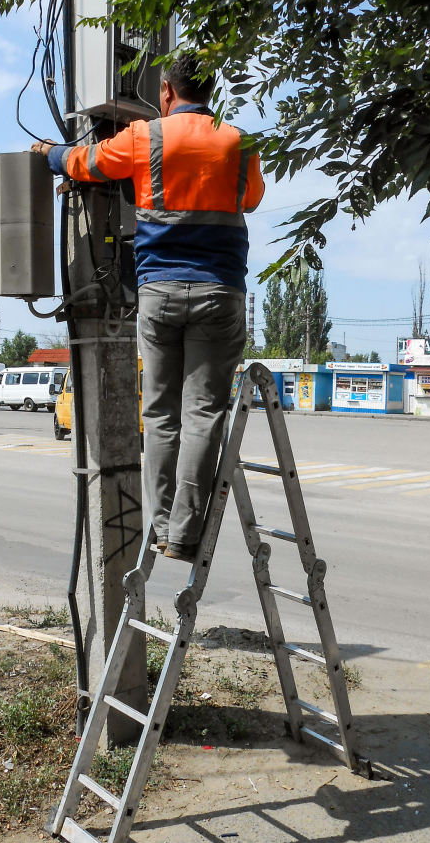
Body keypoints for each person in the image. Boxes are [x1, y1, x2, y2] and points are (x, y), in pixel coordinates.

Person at [33, 52, 264, 561]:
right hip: (221, 291)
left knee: (160, 414)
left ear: (165, 91)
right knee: (203, 411)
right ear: (211, 92)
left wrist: (49, 152)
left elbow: (83, 164)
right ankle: (185, 532)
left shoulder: (146, 137)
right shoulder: (240, 141)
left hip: (158, 292)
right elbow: (250, 201)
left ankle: (161, 528)